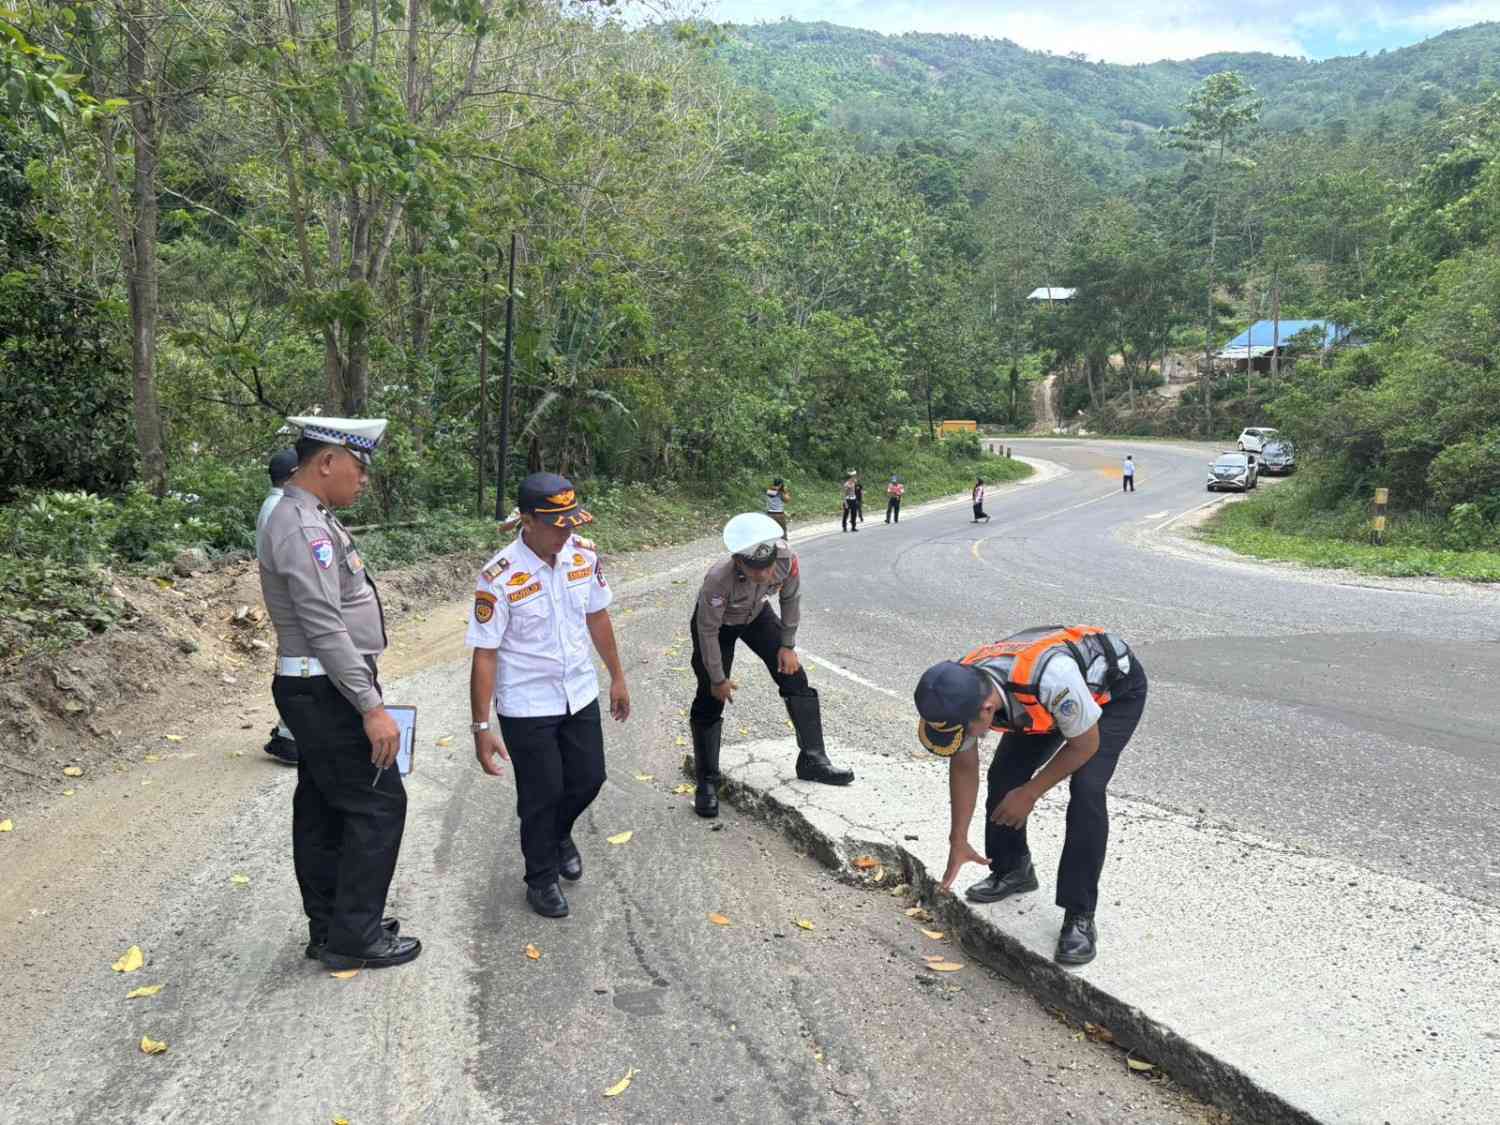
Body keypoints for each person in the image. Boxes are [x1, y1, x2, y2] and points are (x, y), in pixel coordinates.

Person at [259, 415, 420, 970]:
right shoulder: (302, 525)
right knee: (379, 803)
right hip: (325, 688)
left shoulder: (308, 515)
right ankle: (354, 936)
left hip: (318, 685)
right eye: (359, 466)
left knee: (325, 806)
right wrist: (370, 706)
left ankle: (334, 926)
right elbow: (324, 625)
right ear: (327, 461)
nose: (364, 479)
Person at [914, 626, 1148, 966]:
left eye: (965, 733)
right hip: (1041, 699)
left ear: (987, 710)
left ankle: (1080, 914)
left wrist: (1031, 792)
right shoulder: (959, 689)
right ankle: (1013, 870)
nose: (964, 740)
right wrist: (958, 839)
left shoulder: (1052, 679)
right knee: (1004, 776)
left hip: (1112, 693)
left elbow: (1085, 745)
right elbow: (964, 766)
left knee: (1087, 788)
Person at [467, 472, 630, 920]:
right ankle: (540, 878)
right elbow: (485, 654)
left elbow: (597, 617)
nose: (568, 532)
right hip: (527, 703)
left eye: (572, 522)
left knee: (589, 778)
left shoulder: (583, 556)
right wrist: (481, 727)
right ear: (527, 521)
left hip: (578, 691)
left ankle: (558, 835)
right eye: (558, 525)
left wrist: (617, 677)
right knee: (542, 793)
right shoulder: (499, 576)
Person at [688, 513, 854, 818]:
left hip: (756, 616)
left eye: (768, 567)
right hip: (718, 627)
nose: (765, 575)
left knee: (795, 677)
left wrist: (787, 645)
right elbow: (707, 631)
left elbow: (790, 599)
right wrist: (718, 678)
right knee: (710, 696)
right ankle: (707, 782)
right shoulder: (718, 579)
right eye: (756, 569)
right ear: (738, 561)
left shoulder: (787, 559)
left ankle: (813, 760)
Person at [257, 448, 301, 765]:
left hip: (286, 599)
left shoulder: (273, 506)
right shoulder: (282, 511)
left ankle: (289, 732)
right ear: (295, 475)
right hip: (292, 601)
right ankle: (289, 737)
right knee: (300, 668)